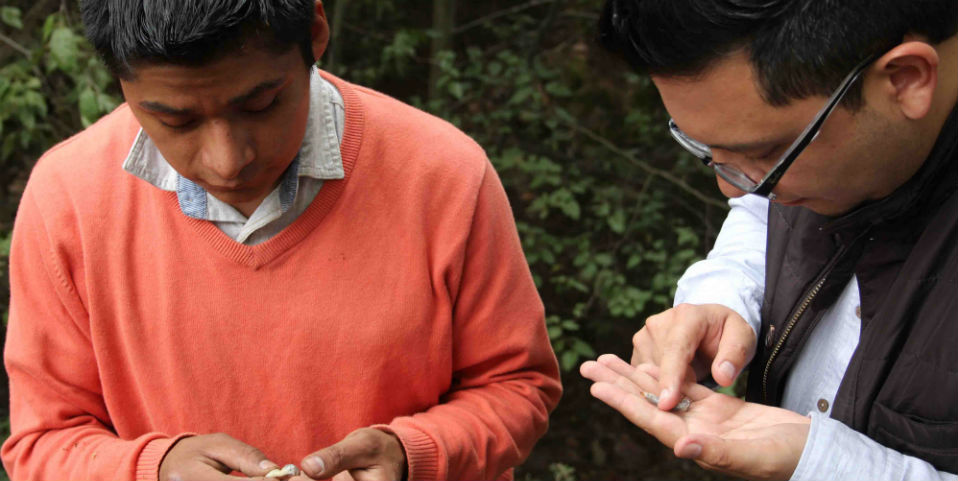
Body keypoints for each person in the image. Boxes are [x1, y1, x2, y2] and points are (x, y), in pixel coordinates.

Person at [1, 1, 562, 480]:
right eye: (176, 122)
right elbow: (43, 441)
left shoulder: (443, 176)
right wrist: (156, 466)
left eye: (261, 105)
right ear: (119, 80)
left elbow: (517, 387)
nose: (227, 160)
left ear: (315, 29)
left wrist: (411, 455)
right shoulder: (68, 201)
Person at [580, 0, 957, 480]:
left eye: (762, 152)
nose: (733, 187)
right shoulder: (818, 158)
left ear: (906, 79)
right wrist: (726, 296)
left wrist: (824, 465)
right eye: (704, 147)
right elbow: (759, 212)